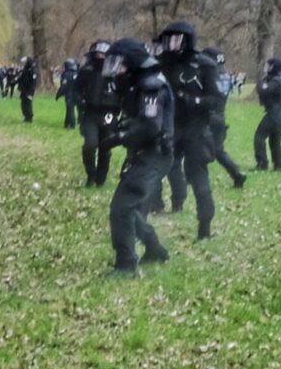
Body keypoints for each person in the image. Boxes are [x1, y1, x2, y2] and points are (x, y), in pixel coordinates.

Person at [98, 38, 173, 275]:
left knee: (122, 207)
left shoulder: (151, 85)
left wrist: (120, 136)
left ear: (131, 62)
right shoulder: (135, 83)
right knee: (131, 209)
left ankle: (126, 265)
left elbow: (150, 126)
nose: (116, 70)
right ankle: (155, 250)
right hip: (143, 153)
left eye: (118, 64)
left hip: (155, 155)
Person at [156, 21, 222, 241]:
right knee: (162, 168)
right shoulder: (161, 63)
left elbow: (215, 98)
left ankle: (205, 228)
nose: (171, 44)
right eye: (168, 39)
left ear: (188, 40)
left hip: (196, 129)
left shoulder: (205, 65)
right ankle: (171, 203)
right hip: (170, 126)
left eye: (176, 39)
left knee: (199, 179)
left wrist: (193, 100)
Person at [75, 41, 118, 187]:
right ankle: (90, 174)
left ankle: (101, 177)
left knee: (105, 148)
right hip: (90, 114)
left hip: (109, 115)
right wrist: (79, 102)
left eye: (103, 54)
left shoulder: (116, 72)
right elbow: (75, 89)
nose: (100, 57)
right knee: (90, 145)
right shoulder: (86, 71)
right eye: (98, 54)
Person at [203, 47, 248, 189]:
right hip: (220, 116)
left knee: (193, 149)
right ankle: (237, 173)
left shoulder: (209, 74)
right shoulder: (225, 75)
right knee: (218, 151)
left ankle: (193, 180)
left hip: (207, 116)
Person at [253, 58, 281, 172]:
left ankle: (262, 163)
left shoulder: (276, 81)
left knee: (259, 137)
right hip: (280, 114)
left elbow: (263, 90)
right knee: (275, 141)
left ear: (273, 67)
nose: (266, 67)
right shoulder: (279, 80)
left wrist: (260, 82)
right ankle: (278, 165)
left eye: (269, 65)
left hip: (275, 114)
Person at [56, 58, 80, 129]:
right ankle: (69, 123)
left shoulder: (67, 74)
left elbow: (64, 85)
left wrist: (59, 94)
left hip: (70, 94)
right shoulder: (77, 73)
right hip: (78, 94)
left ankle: (71, 124)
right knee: (77, 109)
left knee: (70, 110)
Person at [17, 57, 38, 123]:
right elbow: (21, 78)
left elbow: (33, 82)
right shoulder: (25, 69)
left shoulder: (32, 70)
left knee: (28, 103)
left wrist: (31, 92)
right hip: (23, 90)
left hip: (29, 90)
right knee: (23, 104)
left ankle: (29, 117)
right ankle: (26, 116)